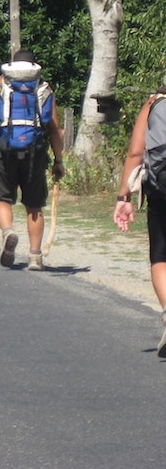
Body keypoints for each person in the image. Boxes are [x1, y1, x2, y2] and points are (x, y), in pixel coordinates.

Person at [0, 49, 65, 270]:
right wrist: (58, 160)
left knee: (1, 198)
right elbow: (55, 128)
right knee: (34, 204)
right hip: (35, 151)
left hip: (4, 148)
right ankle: (35, 256)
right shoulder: (43, 87)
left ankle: (8, 232)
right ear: (33, 64)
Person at [113, 85, 166, 357]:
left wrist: (124, 196)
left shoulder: (154, 103)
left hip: (161, 187)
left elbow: (135, 152)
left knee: (160, 255)